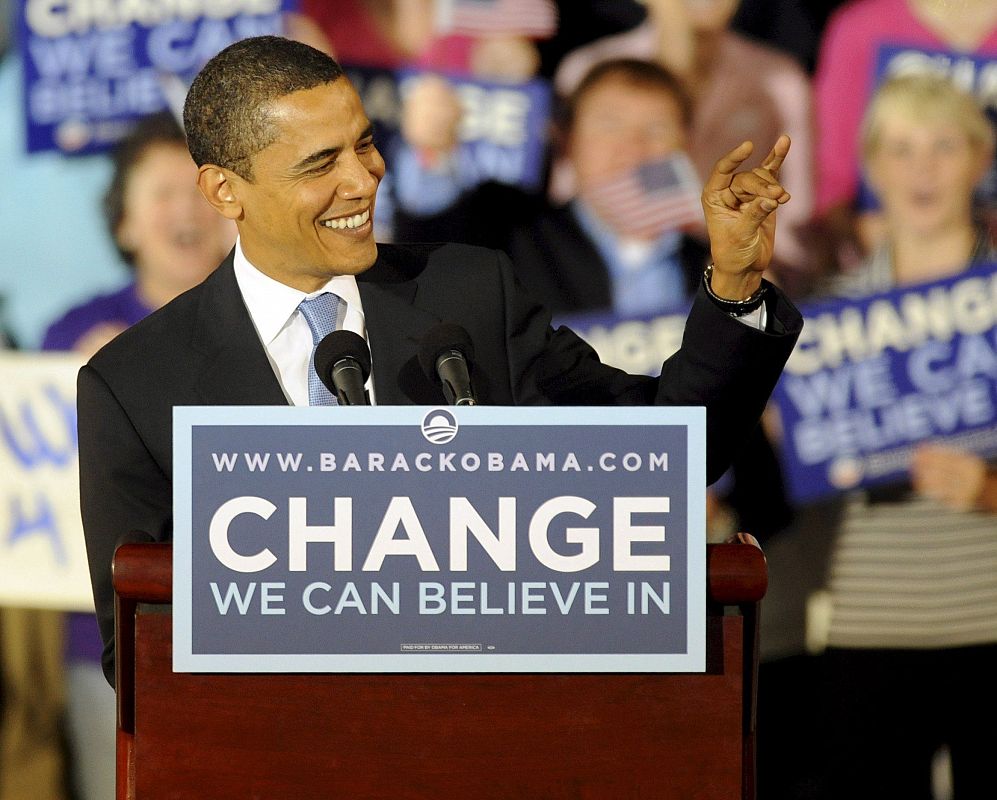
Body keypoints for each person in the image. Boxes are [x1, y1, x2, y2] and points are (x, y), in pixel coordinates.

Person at [75, 35, 803, 687]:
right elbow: (138, 657)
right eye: (319, 163)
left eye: (364, 143)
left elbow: (666, 451)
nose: (363, 180)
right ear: (223, 190)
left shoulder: (465, 295)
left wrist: (734, 288)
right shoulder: (135, 385)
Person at [807, 73, 996, 798]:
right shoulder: (826, 323)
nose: (921, 169)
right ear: (871, 166)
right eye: (901, 148)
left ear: (979, 161)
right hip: (870, 624)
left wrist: (987, 490)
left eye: (943, 147)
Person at [41, 111, 234, 800]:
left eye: (199, 190)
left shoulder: (274, 325)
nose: (185, 210)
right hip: (113, 647)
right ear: (124, 223)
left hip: (247, 632)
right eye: (161, 193)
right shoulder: (68, 333)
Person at [549, 0, 817, 283]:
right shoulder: (587, 69)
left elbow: (797, 220)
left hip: (734, 276)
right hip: (593, 279)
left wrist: (742, 261)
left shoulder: (782, 81)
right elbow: (566, 198)